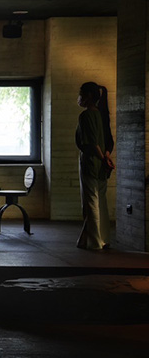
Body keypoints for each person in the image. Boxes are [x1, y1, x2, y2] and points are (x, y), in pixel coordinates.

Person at [75, 81, 114, 250]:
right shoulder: (102, 114)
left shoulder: (85, 116)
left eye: (81, 94)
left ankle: (94, 241)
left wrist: (101, 157)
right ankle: (103, 238)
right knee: (101, 202)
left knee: (91, 202)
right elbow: (107, 141)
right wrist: (106, 158)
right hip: (102, 165)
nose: (79, 98)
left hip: (91, 162)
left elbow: (91, 143)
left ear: (89, 96)